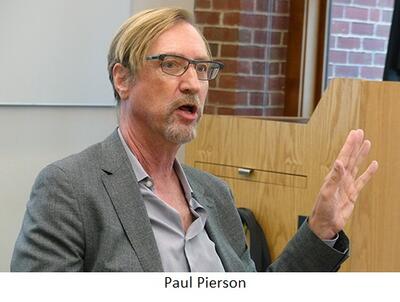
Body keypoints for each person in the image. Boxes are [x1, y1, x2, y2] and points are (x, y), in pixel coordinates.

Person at [11, 8, 378, 272]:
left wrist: (320, 229)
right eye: (171, 64)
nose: (192, 83)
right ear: (123, 79)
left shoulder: (215, 194)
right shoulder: (69, 189)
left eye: (202, 68)